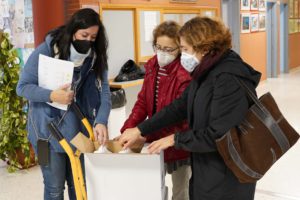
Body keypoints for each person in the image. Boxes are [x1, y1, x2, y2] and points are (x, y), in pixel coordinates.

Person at [118, 17, 261, 200]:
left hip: (227, 175)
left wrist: (175, 139)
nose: (182, 55)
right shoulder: (205, 71)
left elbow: (219, 135)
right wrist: (139, 129)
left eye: (184, 49)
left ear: (205, 48)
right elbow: (179, 107)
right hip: (207, 167)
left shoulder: (228, 79)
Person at [17, 8, 111, 200]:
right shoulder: (46, 50)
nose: (88, 41)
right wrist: (52, 95)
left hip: (79, 132)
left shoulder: (96, 57)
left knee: (80, 184)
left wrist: (101, 120)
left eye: (93, 38)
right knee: (54, 188)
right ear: (73, 30)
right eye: (84, 35)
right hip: (46, 132)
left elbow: (105, 92)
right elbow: (23, 87)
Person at [120, 21, 192, 200]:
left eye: (169, 49)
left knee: (181, 191)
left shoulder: (185, 74)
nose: (162, 53)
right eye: (158, 47)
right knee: (152, 188)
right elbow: (142, 102)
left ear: (180, 48)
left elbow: (179, 116)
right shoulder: (152, 66)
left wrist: (145, 135)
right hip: (152, 139)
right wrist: (128, 130)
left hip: (177, 144)